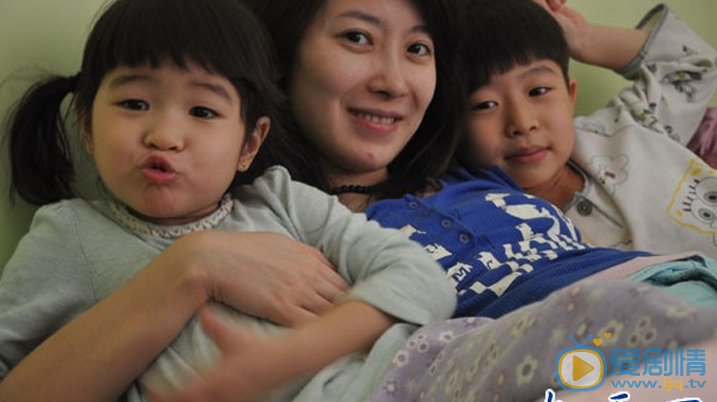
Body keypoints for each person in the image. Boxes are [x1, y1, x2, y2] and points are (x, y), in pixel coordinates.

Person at [0, 0, 457, 401]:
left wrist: (300, 351)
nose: (164, 136)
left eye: (202, 111)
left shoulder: (284, 201)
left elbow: (424, 279)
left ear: (250, 144)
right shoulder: (70, 236)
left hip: (412, 379)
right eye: (135, 104)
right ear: (86, 123)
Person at [456, 0, 717, 258]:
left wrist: (582, 38)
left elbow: (696, 65)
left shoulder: (624, 128)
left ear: (570, 96)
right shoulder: (470, 224)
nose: (523, 123)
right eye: (484, 104)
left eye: (538, 91)